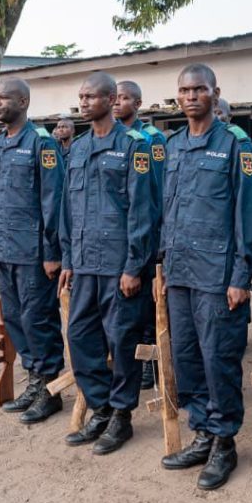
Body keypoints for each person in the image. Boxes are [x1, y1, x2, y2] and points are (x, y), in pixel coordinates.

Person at [158, 63, 252, 491]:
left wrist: (240, 274)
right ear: (177, 97)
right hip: (180, 273)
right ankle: (202, 431)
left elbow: (246, 216)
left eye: (200, 89)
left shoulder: (236, 144)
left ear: (215, 94)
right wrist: (163, 265)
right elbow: (169, 210)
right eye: (185, 90)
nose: (192, 96)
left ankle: (225, 442)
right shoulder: (174, 145)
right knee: (187, 358)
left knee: (219, 358)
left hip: (219, 276)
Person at [59, 72, 155, 454]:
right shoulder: (78, 148)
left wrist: (134, 266)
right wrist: (67, 257)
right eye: (80, 97)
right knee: (81, 336)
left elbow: (143, 210)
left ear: (111, 99)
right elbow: (70, 208)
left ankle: (121, 416)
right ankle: (99, 407)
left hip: (118, 265)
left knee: (122, 339)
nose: (83, 103)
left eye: (91, 96)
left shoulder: (134, 146)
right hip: (84, 263)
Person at [0, 79, 67, 423]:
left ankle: (51, 389)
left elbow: (53, 201)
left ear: (23, 101)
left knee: (39, 320)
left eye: (4, 97)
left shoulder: (41, 143)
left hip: (35, 251)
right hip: (6, 248)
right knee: (16, 320)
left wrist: (52, 252)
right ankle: (36, 381)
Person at [114, 79, 167, 390]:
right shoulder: (114, 139)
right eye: (116, 98)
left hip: (150, 231)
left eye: (125, 98)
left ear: (138, 103)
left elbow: (155, 190)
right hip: (122, 234)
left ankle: (150, 361)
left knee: (147, 301)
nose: (118, 103)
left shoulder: (151, 138)